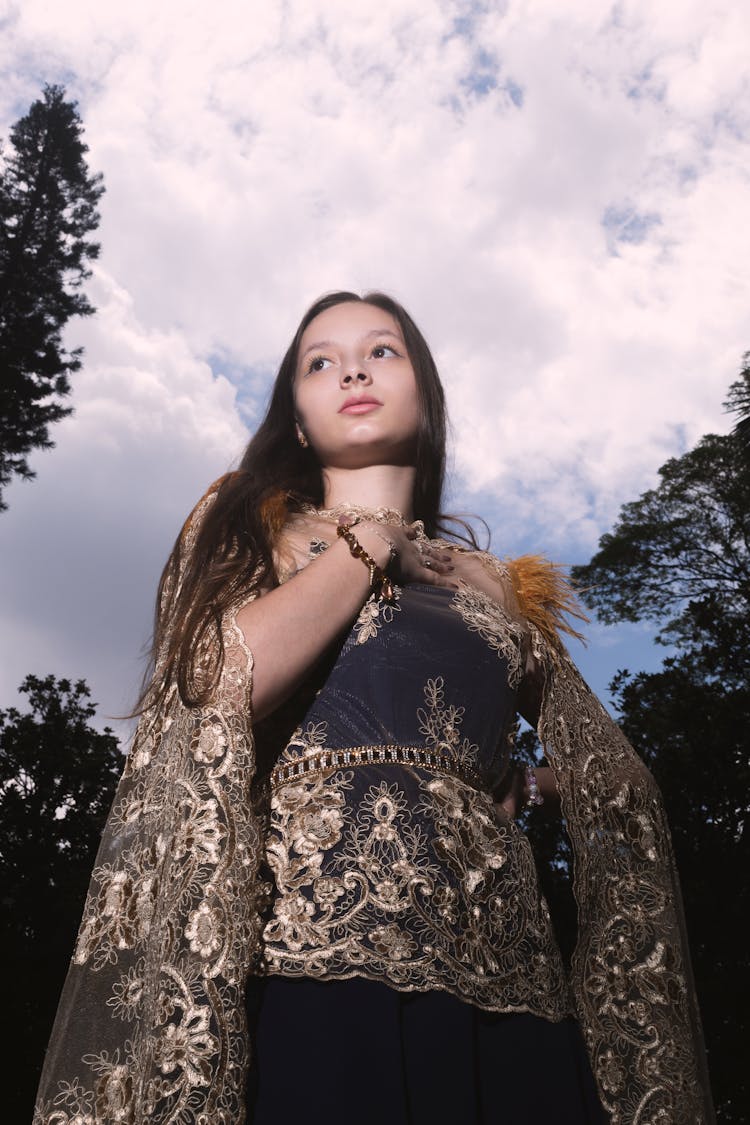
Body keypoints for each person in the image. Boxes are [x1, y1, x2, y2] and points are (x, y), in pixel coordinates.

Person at [34, 291, 714, 1124]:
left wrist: (526, 787)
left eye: (381, 351)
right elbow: (216, 682)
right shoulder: (257, 524)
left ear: (425, 392)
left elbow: (614, 776)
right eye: (321, 361)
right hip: (308, 967)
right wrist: (372, 544)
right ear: (297, 416)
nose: (352, 368)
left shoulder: (497, 584)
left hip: (509, 985)